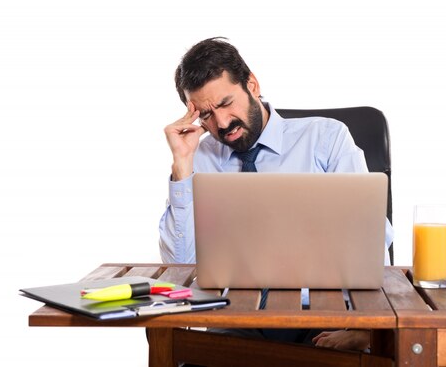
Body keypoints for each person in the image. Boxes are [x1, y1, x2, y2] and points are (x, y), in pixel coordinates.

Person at [159, 37, 393, 351]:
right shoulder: (199, 159)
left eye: (226, 103)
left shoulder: (326, 138)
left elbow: (372, 241)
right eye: (206, 115)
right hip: (235, 322)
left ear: (251, 84)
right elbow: (179, 270)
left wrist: (365, 329)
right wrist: (182, 165)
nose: (222, 123)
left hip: (325, 317)